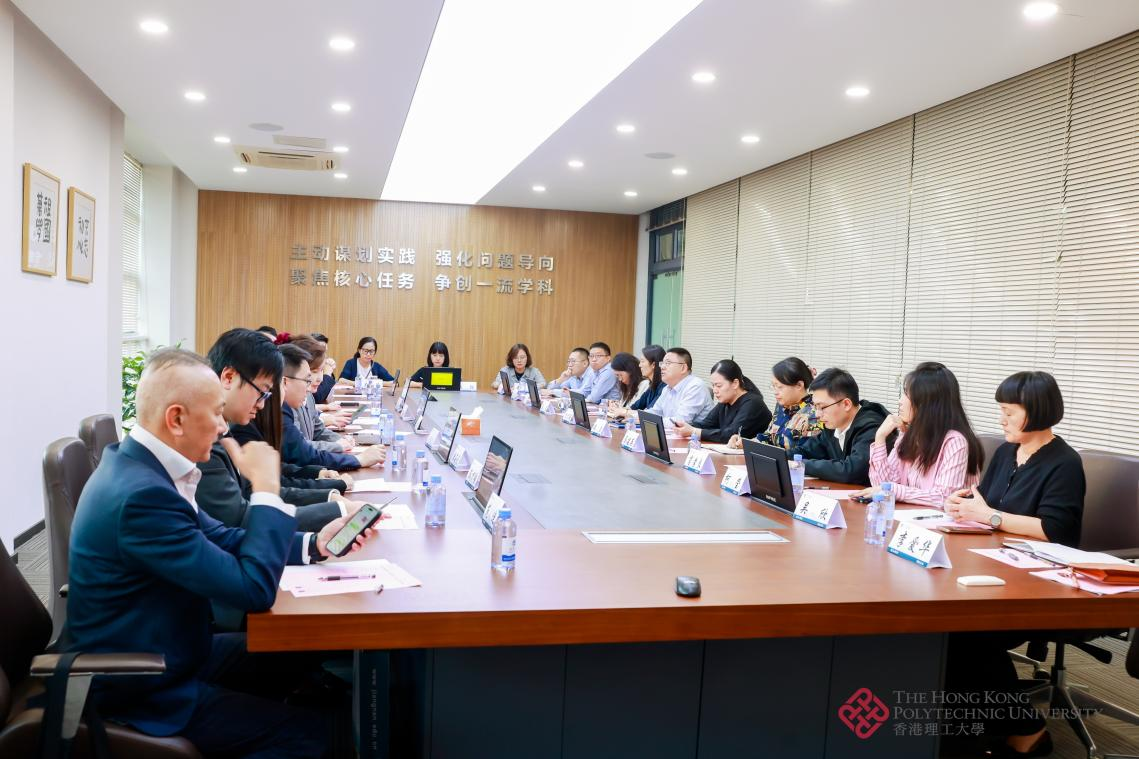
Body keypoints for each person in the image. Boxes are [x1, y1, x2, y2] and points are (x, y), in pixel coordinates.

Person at [66, 348, 377, 757]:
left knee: (299, 649)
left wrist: (313, 544)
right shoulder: (142, 497)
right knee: (318, 737)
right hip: (142, 685)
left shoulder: (144, 469)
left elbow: (223, 537)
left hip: (174, 646)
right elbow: (253, 589)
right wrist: (265, 489)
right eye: (215, 413)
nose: (222, 426)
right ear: (176, 419)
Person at [943, 371, 1085, 757]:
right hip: (1000, 564)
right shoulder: (1008, 452)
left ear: (1037, 411)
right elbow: (986, 504)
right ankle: (970, 730)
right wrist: (963, 505)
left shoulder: (1064, 463)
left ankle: (1026, 730)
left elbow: (1055, 530)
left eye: (1009, 412)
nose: (1002, 419)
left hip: (1043, 580)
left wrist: (988, 516)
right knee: (945, 626)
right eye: (1001, 411)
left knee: (966, 632)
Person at [197, 329, 354, 533]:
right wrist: (336, 509)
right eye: (264, 391)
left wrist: (327, 498)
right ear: (228, 378)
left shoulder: (227, 428)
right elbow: (241, 518)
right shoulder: (206, 442)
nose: (264, 404)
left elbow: (269, 478)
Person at [853, 362, 984, 507]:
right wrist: (880, 438)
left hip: (944, 519)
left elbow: (944, 498)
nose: (900, 401)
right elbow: (881, 486)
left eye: (907, 395)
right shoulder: (909, 435)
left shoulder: (955, 442)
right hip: (910, 515)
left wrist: (894, 490)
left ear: (926, 404)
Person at [791, 368, 892, 485]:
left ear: (846, 404)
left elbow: (852, 471)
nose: (817, 414)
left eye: (822, 407)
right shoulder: (833, 423)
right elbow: (807, 451)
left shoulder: (872, 427)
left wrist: (800, 464)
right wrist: (780, 456)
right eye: (815, 407)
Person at [729, 357, 823, 451]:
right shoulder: (782, 406)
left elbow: (807, 452)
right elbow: (768, 437)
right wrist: (746, 443)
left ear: (799, 385)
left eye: (779, 387)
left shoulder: (815, 413)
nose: (775, 392)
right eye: (773, 386)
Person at [673, 359, 772, 444]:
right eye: (713, 385)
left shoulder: (753, 403)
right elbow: (706, 424)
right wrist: (685, 426)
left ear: (735, 383)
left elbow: (731, 434)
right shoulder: (725, 401)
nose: (715, 390)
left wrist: (693, 431)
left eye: (719, 386)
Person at [637, 347, 714, 424]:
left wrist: (650, 420)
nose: (662, 367)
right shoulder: (667, 388)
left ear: (683, 368)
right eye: (662, 363)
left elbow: (680, 422)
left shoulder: (695, 387)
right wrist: (635, 417)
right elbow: (655, 412)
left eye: (668, 363)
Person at [309, 332, 337, 405]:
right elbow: (318, 397)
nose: (324, 355)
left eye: (325, 351)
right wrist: (327, 373)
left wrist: (326, 370)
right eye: (321, 352)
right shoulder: (305, 366)